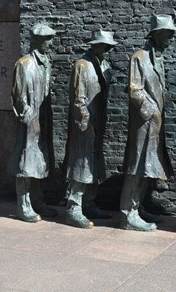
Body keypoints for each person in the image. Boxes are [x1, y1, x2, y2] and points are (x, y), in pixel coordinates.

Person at [120, 14, 176, 231]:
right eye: (168, 34)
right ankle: (127, 214)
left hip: (155, 123)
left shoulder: (158, 58)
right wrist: (151, 110)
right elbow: (135, 90)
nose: (171, 38)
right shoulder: (139, 57)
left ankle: (138, 206)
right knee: (137, 167)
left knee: (147, 166)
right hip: (144, 123)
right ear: (156, 34)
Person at [63, 29, 116, 228]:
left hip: (98, 121)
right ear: (94, 45)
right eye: (104, 46)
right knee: (81, 163)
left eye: (109, 47)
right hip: (84, 125)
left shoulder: (104, 66)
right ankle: (73, 207)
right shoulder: (82, 65)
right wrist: (84, 122)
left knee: (94, 162)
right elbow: (78, 98)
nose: (108, 50)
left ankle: (89, 202)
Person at [10, 23, 58, 223]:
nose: (51, 43)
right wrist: (27, 115)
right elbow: (18, 95)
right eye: (48, 39)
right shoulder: (24, 63)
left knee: (40, 159)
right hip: (30, 120)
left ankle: (38, 200)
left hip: (43, 117)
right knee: (25, 160)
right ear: (37, 40)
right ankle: (23, 205)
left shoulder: (45, 62)